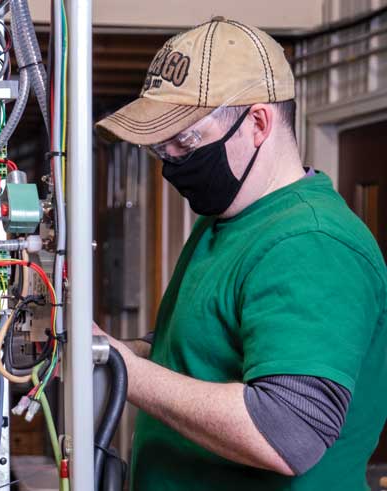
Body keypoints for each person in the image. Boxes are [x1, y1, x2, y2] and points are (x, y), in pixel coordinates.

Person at [93, 16, 387, 490]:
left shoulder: (310, 242)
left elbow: (286, 431)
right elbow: (198, 351)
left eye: (186, 141)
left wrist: (129, 373)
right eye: (160, 149)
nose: (171, 162)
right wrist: (106, 353)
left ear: (257, 122)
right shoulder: (226, 220)